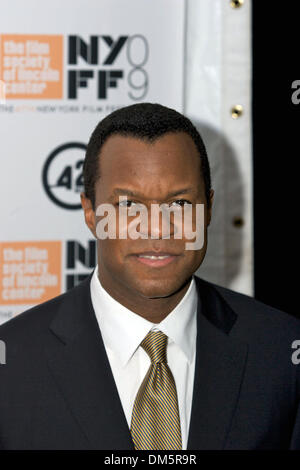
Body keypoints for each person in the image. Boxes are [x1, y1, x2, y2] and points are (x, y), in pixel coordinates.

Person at [0, 103, 300, 450]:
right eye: (128, 206)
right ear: (90, 213)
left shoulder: (282, 354)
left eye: (181, 204)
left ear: (209, 210)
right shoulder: (12, 367)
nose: (157, 228)